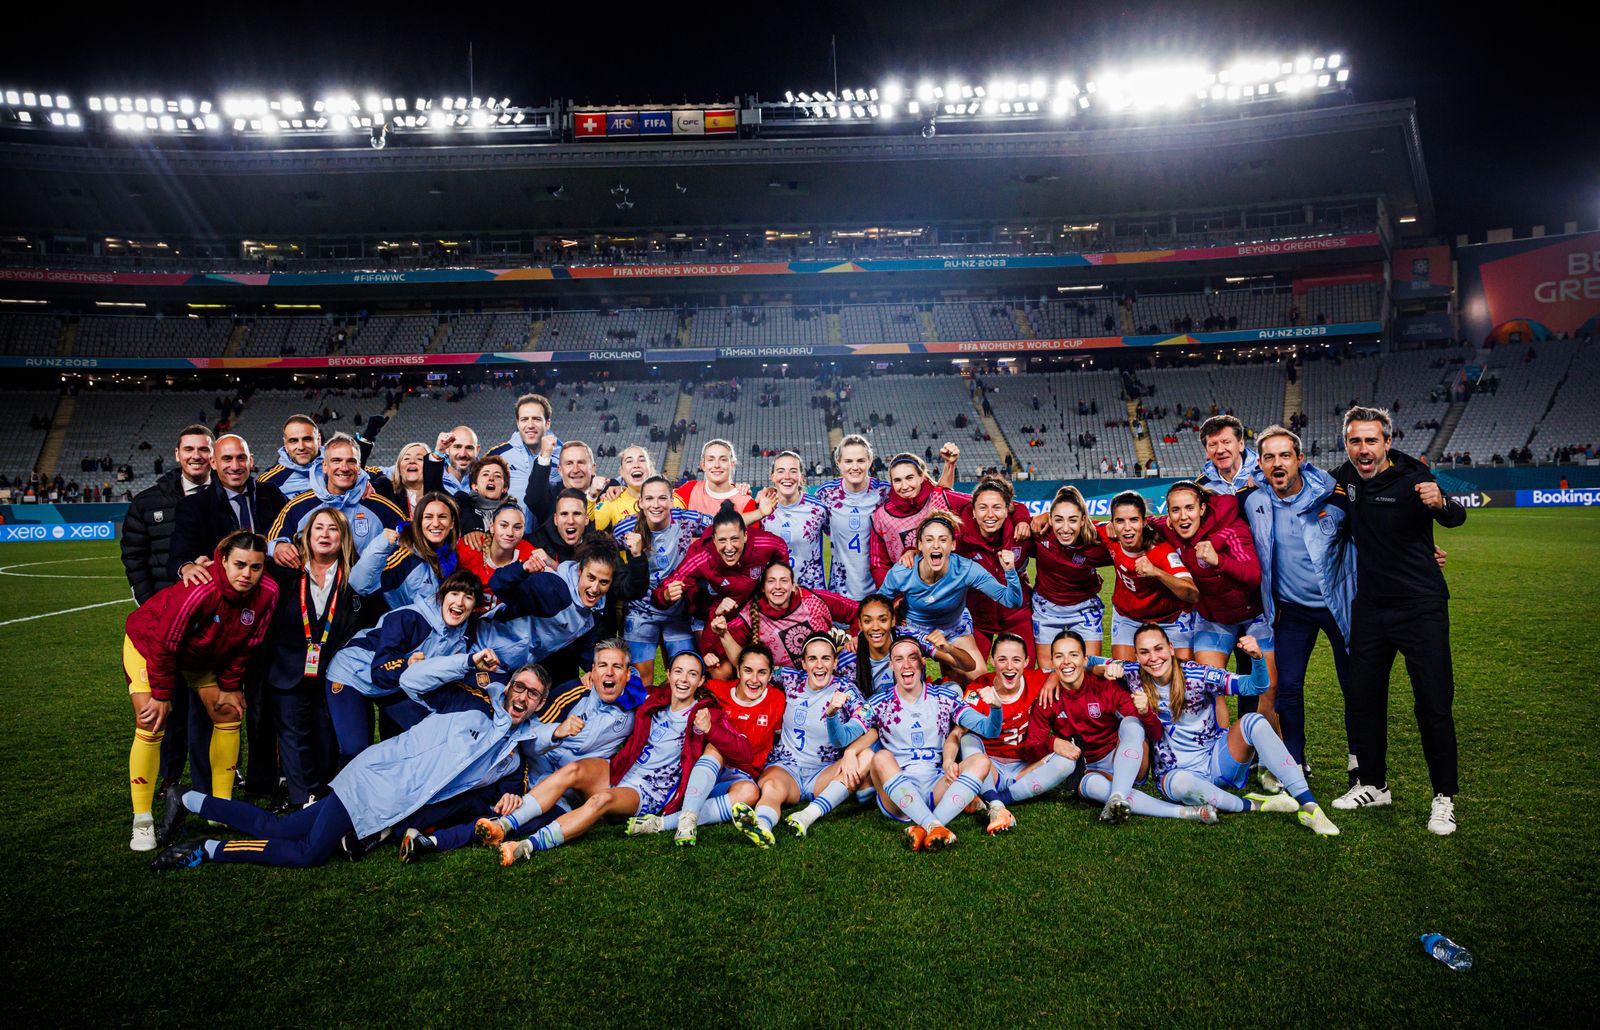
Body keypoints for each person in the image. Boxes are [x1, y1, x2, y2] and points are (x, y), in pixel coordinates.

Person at [149, 649, 551, 871]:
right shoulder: (469, 703)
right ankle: (208, 848)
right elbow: (412, 682)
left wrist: (514, 796)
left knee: (281, 827)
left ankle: (186, 799)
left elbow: (505, 785)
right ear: (508, 686)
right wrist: (467, 664)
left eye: (533, 695)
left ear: (540, 704)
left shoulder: (512, 759)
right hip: (372, 783)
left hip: (392, 804)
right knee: (308, 853)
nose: (522, 697)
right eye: (519, 687)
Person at [1331, 405, 1466, 835]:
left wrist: (1441, 501)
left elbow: (1456, 516)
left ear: (1388, 442)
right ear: (1347, 444)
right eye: (1355, 441)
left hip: (1420, 605)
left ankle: (1443, 797)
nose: (1363, 449)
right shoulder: (1345, 478)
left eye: (1372, 440)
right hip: (1370, 607)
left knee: (1433, 703)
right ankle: (1374, 783)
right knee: (1364, 697)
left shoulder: (1415, 477)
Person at [488, 651, 754, 863]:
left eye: (692, 674)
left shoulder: (706, 712)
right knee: (574, 770)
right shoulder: (652, 699)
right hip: (621, 771)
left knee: (599, 800)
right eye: (679, 672)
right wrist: (593, 677)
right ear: (669, 674)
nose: (684, 679)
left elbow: (744, 752)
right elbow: (617, 683)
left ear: (700, 681)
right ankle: (504, 825)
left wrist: (712, 730)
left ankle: (527, 845)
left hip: (648, 792)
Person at [123, 531, 279, 851]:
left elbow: (247, 644)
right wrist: (163, 694)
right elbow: (166, 645)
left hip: (202, 655)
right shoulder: (200, 590)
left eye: (256, 567)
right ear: (222, 559)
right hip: (150, 644)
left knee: (229, 711)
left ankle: (222, 809)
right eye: (239, 565)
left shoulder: (268, 592)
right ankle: (142, 820)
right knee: (152, 720)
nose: (247, 574)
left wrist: (231, 687)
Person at [1117, 623, 1339, 835]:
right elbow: (1088, 663)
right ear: (1136, 656)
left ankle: (1310, 806)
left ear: (1171, 648)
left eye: (1159, 649)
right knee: (1184, 786)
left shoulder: (1198, 675)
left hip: (1216, 760)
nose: (1153, 658)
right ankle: (1253, 804)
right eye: (1144, 652)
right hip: (1174, 774)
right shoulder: (1133, 673)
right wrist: (1105, 667)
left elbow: (1256, 686)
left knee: (1253, 721)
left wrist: (1258, 659)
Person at [1238, 426, 1357, 781]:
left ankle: (1359, 760)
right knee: (1288, 686)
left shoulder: (1332, 497)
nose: (1278, 463)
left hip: (1340, 606)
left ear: (1300, 460)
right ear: (1259, 464)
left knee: (1354, 685)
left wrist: (1421, 551)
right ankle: (1294, 761)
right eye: (1270, 457)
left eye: (1285, 455)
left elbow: (1375, 532)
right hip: (1292, 610)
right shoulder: (1252, 499)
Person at [1029, 630, 1214, 823]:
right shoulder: (1048, 698)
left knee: (1132, 723)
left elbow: (1155, 733)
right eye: (1059, 656)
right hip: (1087, 770)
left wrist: (1146, 713)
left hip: (1125, 760)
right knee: (1093, 787)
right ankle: (1183, 812)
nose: (1066, 661)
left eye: (1073, 655)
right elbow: (1032, 747)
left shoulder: (1105, 687)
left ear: (1085, 660)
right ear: (1052, 662)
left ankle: (1117, 794)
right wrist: (1053, 743)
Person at [120, 423, 216, 794]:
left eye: (203, 450)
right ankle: (171, 778)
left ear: (211, 455)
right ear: (177, 455)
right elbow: (134, 558)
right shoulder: (148, 501)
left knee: (210, 704)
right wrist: (151, 606)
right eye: (189, 449)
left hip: (211, 624)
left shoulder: (225, 499)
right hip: (165, 625)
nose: (196, 456)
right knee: (168, 703)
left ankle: (208, 778)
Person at [324, 569, 504, 766]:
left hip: (397, 685)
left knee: (419, 739)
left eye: (468, 597)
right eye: (454, 594)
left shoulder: (467, 633)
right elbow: (380, 673)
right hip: (353, 675)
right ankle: (338, 794)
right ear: (442, 596)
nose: (459, 603)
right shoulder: (408, 618)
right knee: (355, 749)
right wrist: (407, 664)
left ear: (475, 606)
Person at [263, 507, 375, 808]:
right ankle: (303, 801)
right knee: (294, 737)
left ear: (344, 537)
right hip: (288, 668)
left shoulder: (357, 576)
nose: (325, 535)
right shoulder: (285, 571)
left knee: (327, 735)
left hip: (335, 672)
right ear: (307, 536)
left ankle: (328, 797)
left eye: (333, 529)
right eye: (319, 529)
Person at [861, 635, 1003, 850]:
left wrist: (995, 709)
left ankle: (927, 826)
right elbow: (842, 737)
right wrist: (833, 715)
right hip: (897, 795)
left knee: (981, 762)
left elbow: (989, 730)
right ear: (891, 665)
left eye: (912, 658)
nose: (906, 665)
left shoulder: (944, 697)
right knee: (880, 758)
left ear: (923, 662)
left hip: (935, 787)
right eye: (899, 659)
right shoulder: (879, 702)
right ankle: (933, 824)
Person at [741, 633, 872, 840]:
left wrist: (837, 725)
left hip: (822, 774)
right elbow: (754, 668)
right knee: (772, 788)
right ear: (803, 663)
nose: (819, 665)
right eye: (812, 659)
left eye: (826, 658)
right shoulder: (791, 679)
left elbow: (859, 730)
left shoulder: (846, 690)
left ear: (835, 661)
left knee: (866, 757)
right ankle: (761, 826)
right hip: (786, 767)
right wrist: (724, 636)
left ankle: (807, 816)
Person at [879, 511, 1022, 684]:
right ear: (920, 545)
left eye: (943, 540)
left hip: (954, 627)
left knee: (981, 681)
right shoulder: (902, 572)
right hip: (912, 630)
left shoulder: (966, 569)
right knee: (906, 681)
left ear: (953, 545)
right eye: (929, 540)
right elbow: (877, 606)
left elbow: (1012, 600)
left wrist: (1010, 571)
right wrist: (893, 615)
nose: (936, 546)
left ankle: (951, 686)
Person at [957, 635, 1077, 834]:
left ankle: (996, 798)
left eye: (1016, 660)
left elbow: (1077, 665)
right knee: (968, 738)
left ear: (1027, 662)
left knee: (1067, 763)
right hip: (989, 767)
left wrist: (1053, 678)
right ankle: (996, 803)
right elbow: (958, 732)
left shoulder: (1035, 679)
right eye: (1002, 659)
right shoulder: (977, 690)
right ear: (992, 661)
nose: (1009, 666)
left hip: (1024, 767)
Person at [613, 476, 713, 684]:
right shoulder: (625, 529)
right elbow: (605, 556)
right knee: (640, 681)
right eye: (649, 498)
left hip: (678, 611)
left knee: (685, 677)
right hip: (640, 612)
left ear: (672, 500)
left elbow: (723, 527)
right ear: (640, 502)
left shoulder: (687, 519)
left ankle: (670, 711)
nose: (656, 505)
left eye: (662, 498)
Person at [702, 558, 857, 678]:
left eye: (784, 581)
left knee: (854, 654)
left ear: (793, 585)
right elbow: (714, 649)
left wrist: (857, 636)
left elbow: (860, 611)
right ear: (762, 587)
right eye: (771, 581)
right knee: (721, 669)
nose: (778, 587)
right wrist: (717, 615)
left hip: (827, 673)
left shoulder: (814, 599)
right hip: (785, 685)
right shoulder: (749, 616)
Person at [268, 433, 407, 564]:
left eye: (351, 461)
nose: (344, 468)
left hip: (365, 589)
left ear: (359, 468)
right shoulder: (298, 506)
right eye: (336, 461)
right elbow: (272, 538)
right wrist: (278, 546)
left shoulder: (381, 507)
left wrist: (381, 573)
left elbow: (409, 541)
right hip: (312, 587)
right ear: (324, 466)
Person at [168, 434, 288, 582]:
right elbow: (179, 555)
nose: (235, 466)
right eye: (227, 459)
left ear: (250, 460)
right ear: (213, 462)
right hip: (224, 593)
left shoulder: (272, 494)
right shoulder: (194, 506)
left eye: (241, 458)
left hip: (273, 587)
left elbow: (290, 533)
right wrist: (187, 567)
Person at [652, 500, 790, 626]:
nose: (729, 547)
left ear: (745, 535)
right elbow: (659, 595)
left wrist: (771, 580)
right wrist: (666, 596)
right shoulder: (701, 557)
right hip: (714, 614)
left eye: (735, 539)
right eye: (722, 540)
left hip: (752, 609)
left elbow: (781, 548)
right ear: (714, 539)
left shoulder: (765, 543)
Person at [1098, 491, 1198, 662]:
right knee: (1124, 674)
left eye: (1134, 520)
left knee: (1183, 678)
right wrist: (1046, 516)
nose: (1127, 527)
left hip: (1170, 619)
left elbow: (1192, 594)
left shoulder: (1161, 552)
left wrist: (1157, 572)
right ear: (1112, 524)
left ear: (1144, 522)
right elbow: (1075, 522)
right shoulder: (1109, 537)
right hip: (1128, 617)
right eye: (1120, 521)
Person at [955, 478, 1036, 665]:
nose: (990, 515)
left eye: (997, 508)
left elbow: (1055, 545)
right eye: (983, 508)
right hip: (977, 619)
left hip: (1017, 615)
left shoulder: (1022, 533)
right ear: (973, 512)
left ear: (1008, 509)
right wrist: (909, 552)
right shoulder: (960, 539)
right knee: (970, 674)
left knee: (1025, 672)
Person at [1030, 486, 1112, 667]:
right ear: (1050, 519)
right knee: (1048, 674)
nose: (1065, 528)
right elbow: (1009, 512)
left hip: (1084, 610)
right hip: (1046, 609)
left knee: (1089, 669)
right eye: (1058, 520)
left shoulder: (1098, 541)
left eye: (1073, 520)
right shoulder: (1039, 532)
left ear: (1083, 520)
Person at [349, 491, 461, 610]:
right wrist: (380, 545)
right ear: (418, 522)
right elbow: (361, 584)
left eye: (442, 517)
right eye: (428, 517)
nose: (436, 523)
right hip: (404, 626)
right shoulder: (404, 555)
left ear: (452, 523)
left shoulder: (456, 555)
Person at [812, 434, 891, 600]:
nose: (855, 467)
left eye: (861, 461)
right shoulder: (826, 493)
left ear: (870, 461)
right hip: (840, 594)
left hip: (881, 593)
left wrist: (949, 466)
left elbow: (922, 502)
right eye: (848, 461)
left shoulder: (885, 492)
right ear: (838, 463)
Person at [754, 451, 830, 590]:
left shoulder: (818, 509)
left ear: (801, 477)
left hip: (810, 594)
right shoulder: (760, 508)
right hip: (773, 594)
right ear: (773, 477)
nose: (787, 477)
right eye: (781, 471)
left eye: (793, 471)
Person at [486, 392, 566, 517]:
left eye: (536, 419)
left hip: (548, 534)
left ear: (547, 423)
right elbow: (475, 491)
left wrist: (608, 487)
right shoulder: (497, 455)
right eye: (524, 419)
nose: (530, 425)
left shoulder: (564, 454)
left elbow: (585, 481)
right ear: (518, 423)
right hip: (509, 533)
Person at [455, 502, 534, 595]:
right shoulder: (470, 546)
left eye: (517, 527)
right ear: (492, 527)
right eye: (503, 525)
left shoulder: (529, 553)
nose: (510, 533)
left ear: (523, 530)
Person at [675, 438, 757, 517]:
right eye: (711, 460)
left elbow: (753, 531)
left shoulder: (745, 501)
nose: (717, 465)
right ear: (703, 465)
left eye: (723, 459)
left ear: (732, 464)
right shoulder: (690, 489)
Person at [591, 445, 665, 531]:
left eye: (642, 460)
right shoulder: (611, 500)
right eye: (629, 461)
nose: (636, 465)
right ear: (621, 472)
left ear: (650, 469)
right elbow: (586, 529)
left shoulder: (671, 499)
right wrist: (592, 496)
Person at [256, 414, 322, 496]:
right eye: (293, 441)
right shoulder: (268, 482)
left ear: (318, 440)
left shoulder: (338, 469)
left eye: (307, 439)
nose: (301, 447)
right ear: (285, 444)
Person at [1197, 414, 1260, 493]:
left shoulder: (1263, 473)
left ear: (1241, 444)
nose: (1220, 450)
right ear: (1207, 452)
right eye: (1213, 445)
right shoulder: (1201, 486)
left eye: (1226, 442)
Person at [458, 454, 513, 531]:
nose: (491, 478)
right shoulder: (462, 504)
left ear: (505, 488)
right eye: (485, 474)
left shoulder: (513, 513)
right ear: (475, 486)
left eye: (497, 476)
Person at [383, 442, 431, 518]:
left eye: (419, 459)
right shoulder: (385, 491)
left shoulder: (439, 493)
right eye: (406, 458)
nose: (412, 461)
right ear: (398, 467)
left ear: (430, 466)